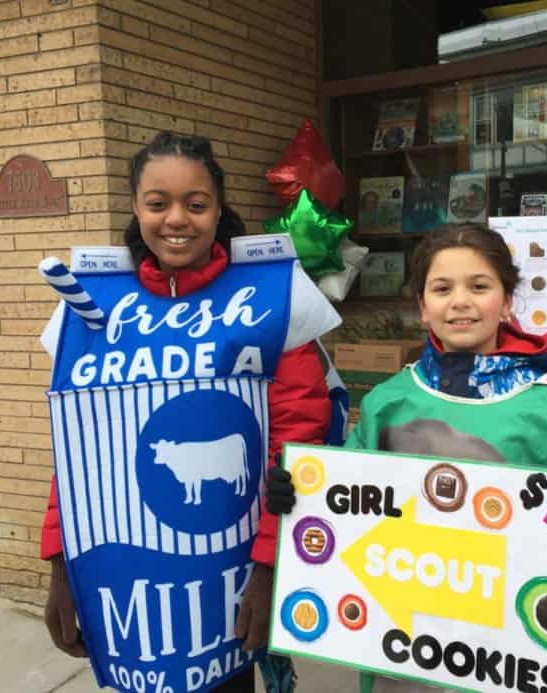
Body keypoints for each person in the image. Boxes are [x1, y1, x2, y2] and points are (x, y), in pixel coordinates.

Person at [269, 224, 547, 693]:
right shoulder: (389, 402)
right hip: (406, 644)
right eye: (442, 288)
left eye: (479, 286)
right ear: (422, 306)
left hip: (513, 652)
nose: (461, 301)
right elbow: (346, 506)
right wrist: (301, 498)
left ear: (507, 300)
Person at [39, 132, 341, 693]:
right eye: (158, 203)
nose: (176, 219)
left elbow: (301, 442)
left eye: (195, 204)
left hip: (236, 579)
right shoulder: (91, 306)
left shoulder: (272, 296)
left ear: (218, 209)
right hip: (131, 586)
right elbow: (78, 448)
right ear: (135, 207)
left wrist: (271, 571)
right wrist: (63, 566)